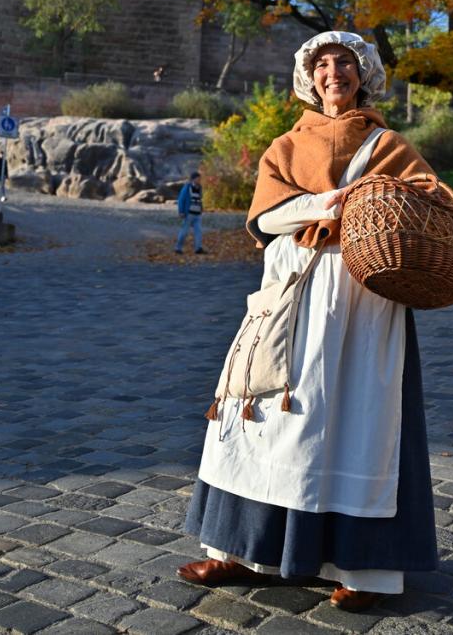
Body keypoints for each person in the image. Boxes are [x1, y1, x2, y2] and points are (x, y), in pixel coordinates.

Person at [178, 31, 438, 613]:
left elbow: (427, 201)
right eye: (321, 65)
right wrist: (324, 206)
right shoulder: (286, 145)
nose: (332, 73)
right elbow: (264, 218)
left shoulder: (388, 142)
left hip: (364, 300)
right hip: (292, 294)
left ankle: (364, 568)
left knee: (357, 422)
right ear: (308, 77)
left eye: (343, 63)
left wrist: (371, 206)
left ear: (362, 74)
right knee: (261, 410)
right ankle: (238, 549)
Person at [175, 171, 206, 254]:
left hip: (197, 214)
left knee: (198, 231)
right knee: (184, 231)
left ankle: (198, 248)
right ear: (193, 179)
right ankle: (178, 248)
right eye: (198, 178)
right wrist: (181, 211)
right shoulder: (187, 187)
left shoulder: (199, 188)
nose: (199, 180)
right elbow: (181, 200)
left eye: (200, 178)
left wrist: (201, 208)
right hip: (188, 214)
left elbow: (199, 199)